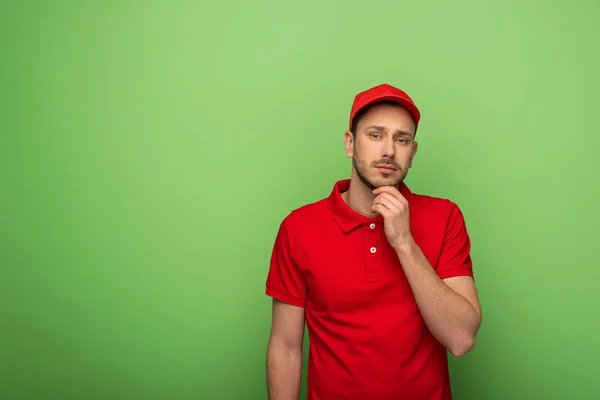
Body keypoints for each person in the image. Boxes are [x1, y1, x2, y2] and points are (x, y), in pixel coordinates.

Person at [264, 83, 482, 400]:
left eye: (401, 139)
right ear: (350, 144)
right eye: (376, 135)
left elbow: (461, 339)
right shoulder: (298, 228)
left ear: (413, 153)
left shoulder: (445, 217)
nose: (389, 150)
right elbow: (285, 348)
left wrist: (405, 243)